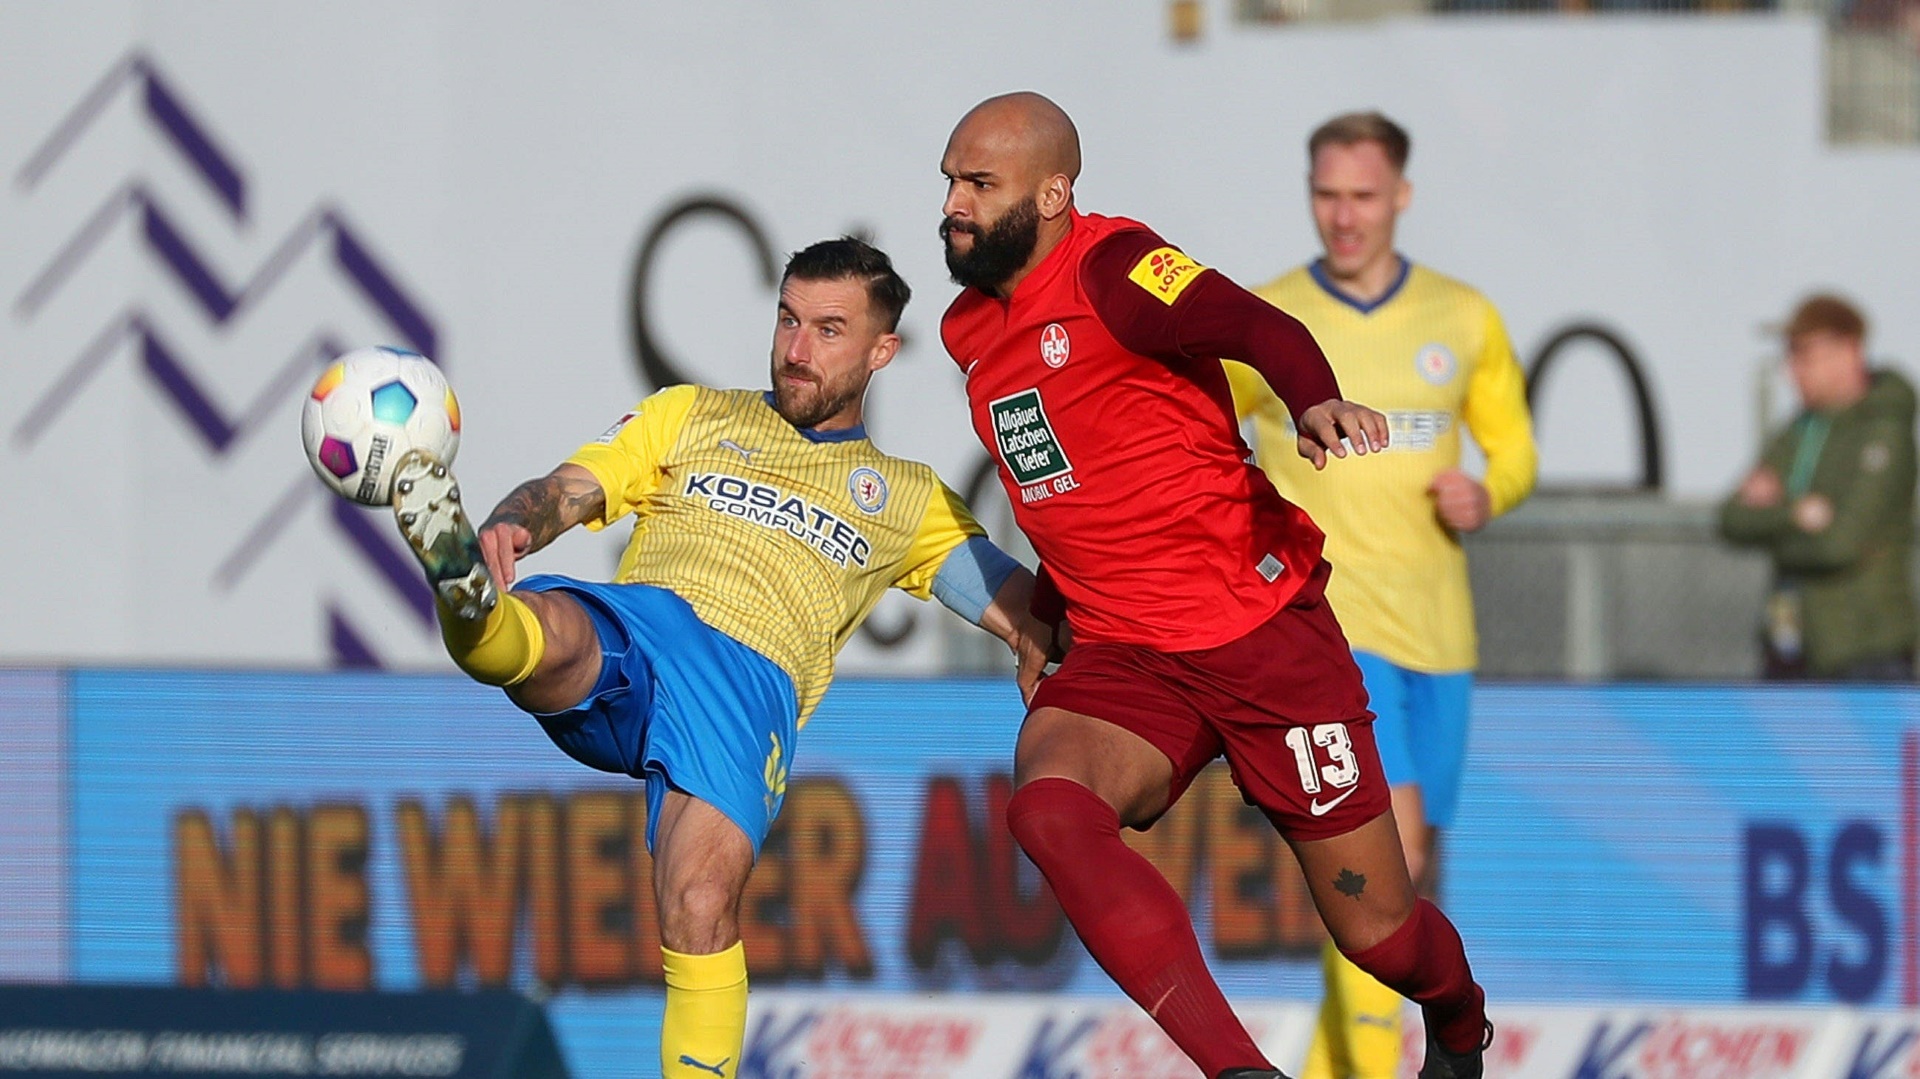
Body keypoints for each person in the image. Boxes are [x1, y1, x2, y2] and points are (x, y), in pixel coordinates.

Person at [386, 237, 1048, 1079]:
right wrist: (518, 519)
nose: (796, 350)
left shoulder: (908, 496)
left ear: (883, 349)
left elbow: (1027, 613)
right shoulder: (691, 413)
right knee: (551, 628)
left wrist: (1063, 650)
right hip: (648, 626)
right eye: (788, 320)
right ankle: (467, 594)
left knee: (700, 903)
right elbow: (568, 488)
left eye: (829, 330)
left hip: (747, 687)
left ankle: (473, 610)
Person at [937, 92, 1491, 1079]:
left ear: (1056, 192)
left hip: (1261, 637)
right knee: (1050, 810)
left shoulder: (1114, 267)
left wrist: (1311, 394)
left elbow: (1250, 321)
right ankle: (1241, 1070)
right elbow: (1069, 489)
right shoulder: (968, 331)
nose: (954, 204)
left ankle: (1459, 1017)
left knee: (1379, 933)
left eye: (979, 183)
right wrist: (1048, 615)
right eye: (949, 181)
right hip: (1126, 653)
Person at [1223, 111, 1537, 1079]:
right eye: (1327, 194)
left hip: (1438, 632)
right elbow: (1196, 431)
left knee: (1401, 878)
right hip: (1326, 634)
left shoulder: (1463, 315)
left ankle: (1327, 1064)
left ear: (1401, 196)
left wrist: (1490, 490)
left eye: (1363, 195)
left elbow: (1514, 447)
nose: (1343, 215)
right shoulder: (1262, 319)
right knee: (1381, 864)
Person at [1719, 293, 1917, 680]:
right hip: (1791, 649)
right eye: (1790, 356)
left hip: (1865, 653)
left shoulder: (1884, 432)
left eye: (1804, 354)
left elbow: (1838, 543)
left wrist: (1773, 521)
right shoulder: (1799, 431)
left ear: (1849, 351)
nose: (1792, 369)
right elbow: (1731, 518)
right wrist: (1795, 513)